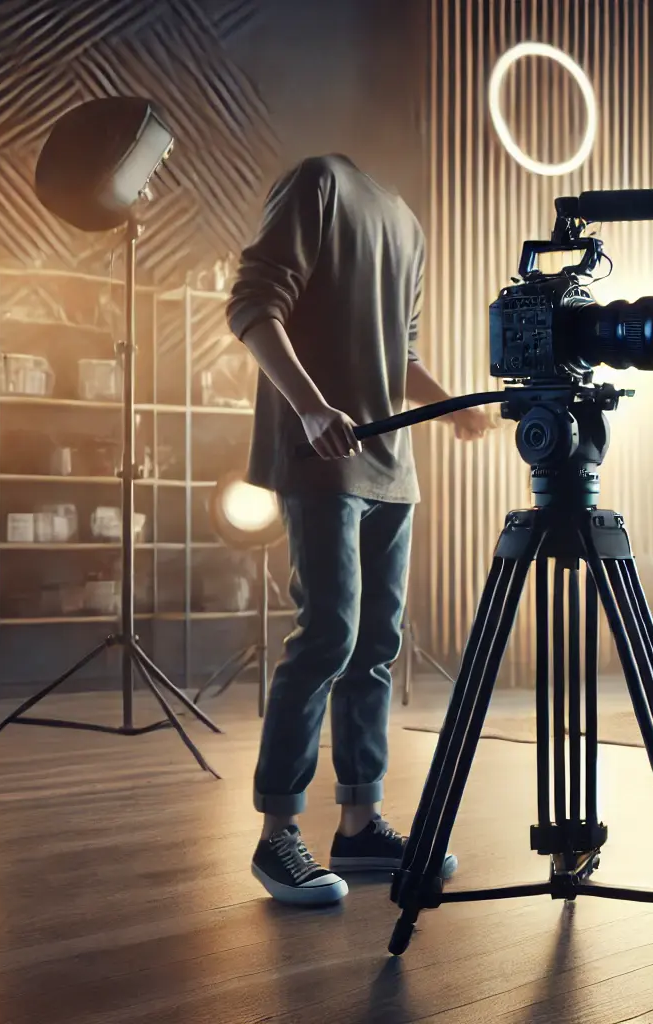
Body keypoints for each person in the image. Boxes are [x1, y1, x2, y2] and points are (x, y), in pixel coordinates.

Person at [229, 154, 496, 905]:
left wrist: (452, 402)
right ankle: (277, 832)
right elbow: (252, 307)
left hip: (392, 469)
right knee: (328, 638)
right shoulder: (318, 181)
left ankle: (359, 824)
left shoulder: (408, 223)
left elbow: (400, 354)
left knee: (376, 646)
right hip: (321, 458)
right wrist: (310, 407)